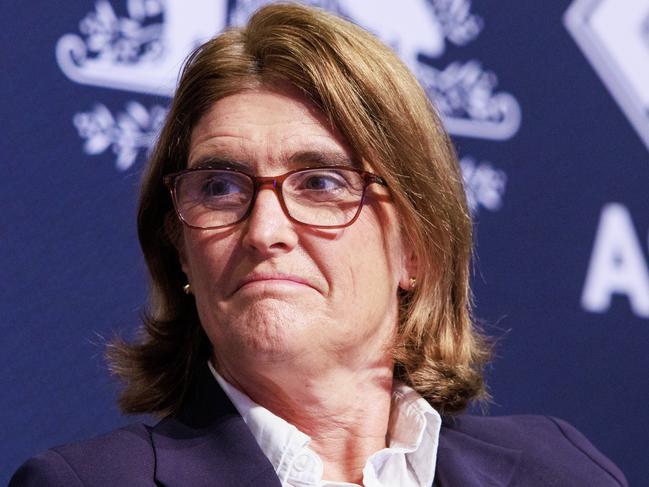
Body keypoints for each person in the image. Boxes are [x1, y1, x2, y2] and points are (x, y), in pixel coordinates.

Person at [10, 3, 627, 486]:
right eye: (221, 187)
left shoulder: (562, 470)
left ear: (415, 245)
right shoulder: (85, 483)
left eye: (322, 183)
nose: (264, 230)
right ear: (180, 250)